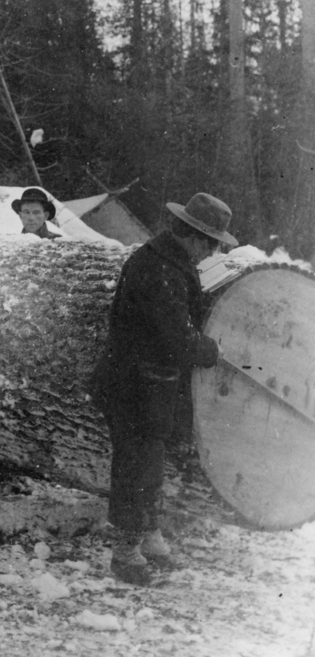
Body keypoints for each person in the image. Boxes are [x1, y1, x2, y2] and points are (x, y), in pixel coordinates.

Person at [90, 192, 238, 585]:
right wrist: (210, 350)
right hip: (132, 384)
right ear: (194, 237)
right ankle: (126, 552)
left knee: (149, 462)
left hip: (149, 383)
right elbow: (177, 336)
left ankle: (149, 536)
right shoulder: (158, 268)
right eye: (211, 244)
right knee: (135, 465)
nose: (212, 253)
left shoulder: (168, 260)